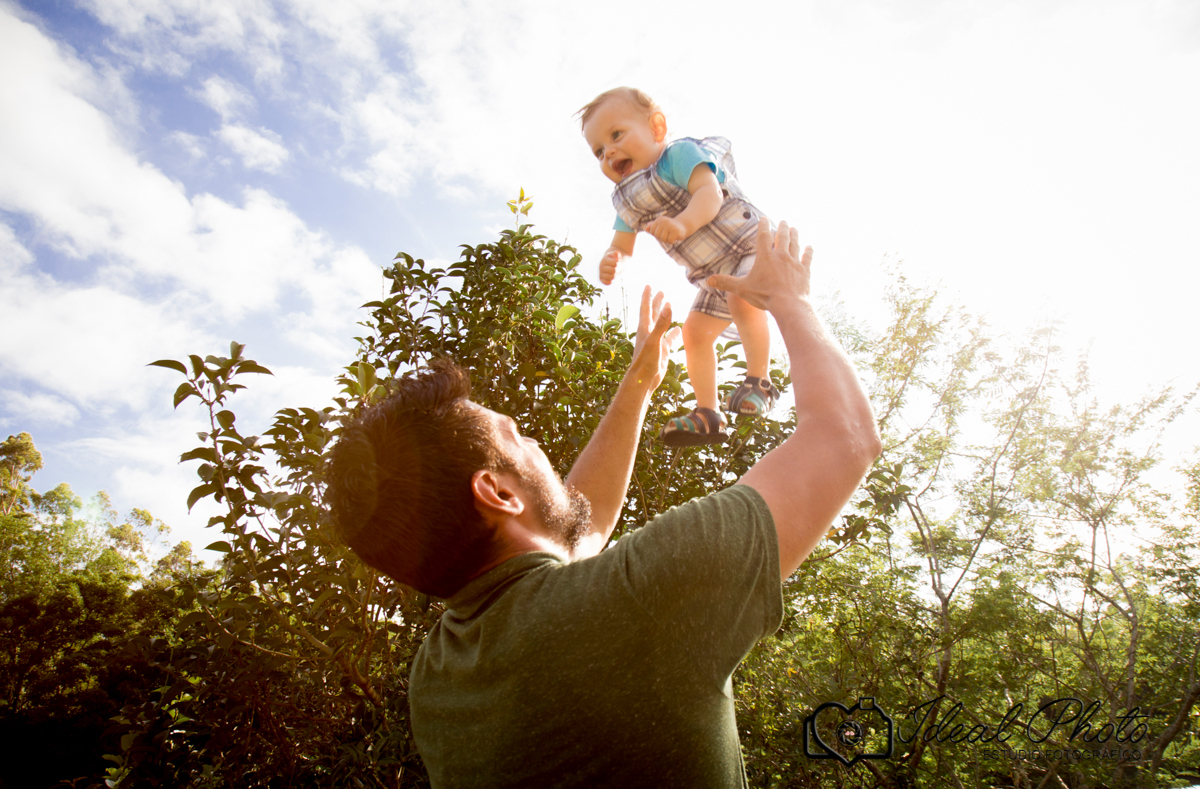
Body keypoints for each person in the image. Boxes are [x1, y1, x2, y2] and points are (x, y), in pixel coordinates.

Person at [325, 220, 881, 787]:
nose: (538, 445)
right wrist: (790, 297)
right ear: (496, 493)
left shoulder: (439, 678)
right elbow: (846, 436)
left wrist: (639, 382)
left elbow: (573, 535)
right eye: (517, 436)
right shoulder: (641, 601)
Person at [579, 86, 777, 447]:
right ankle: (708, 414)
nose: (608, 152)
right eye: (598, 151)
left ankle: (759, 382)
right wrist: (613, 260)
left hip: (752, 244)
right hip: (715, 273)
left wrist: (683, 223)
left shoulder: (679, 156)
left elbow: (709, 194)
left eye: (616, 135)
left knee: (740, 298)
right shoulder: (628, 201)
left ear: (656, 128)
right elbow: (622, 246)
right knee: (695, 332)